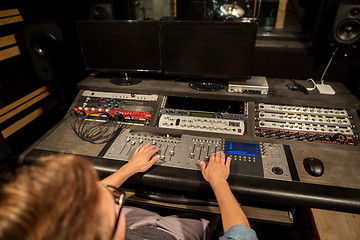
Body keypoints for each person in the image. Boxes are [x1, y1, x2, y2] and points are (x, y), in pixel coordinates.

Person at [0, 143, 257, 240]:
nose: (114, 194)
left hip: (133, 227)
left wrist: (129, 168)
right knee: (204, 214)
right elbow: (241, 235)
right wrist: (218, 180)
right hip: (174, 234)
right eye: (115, 201)